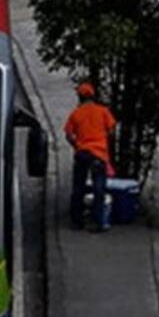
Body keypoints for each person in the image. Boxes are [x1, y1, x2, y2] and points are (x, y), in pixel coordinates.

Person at [63, 82, 117, 232]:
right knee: (99, 188)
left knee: (78, 187)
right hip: (99, 154)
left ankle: (77, 221)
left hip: (82, 153)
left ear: (80, 97)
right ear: (93, 96)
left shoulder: (76, 113)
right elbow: (112, 130)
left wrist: (77, 146)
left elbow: (68, 134)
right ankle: (99, 221)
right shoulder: (103, 111)